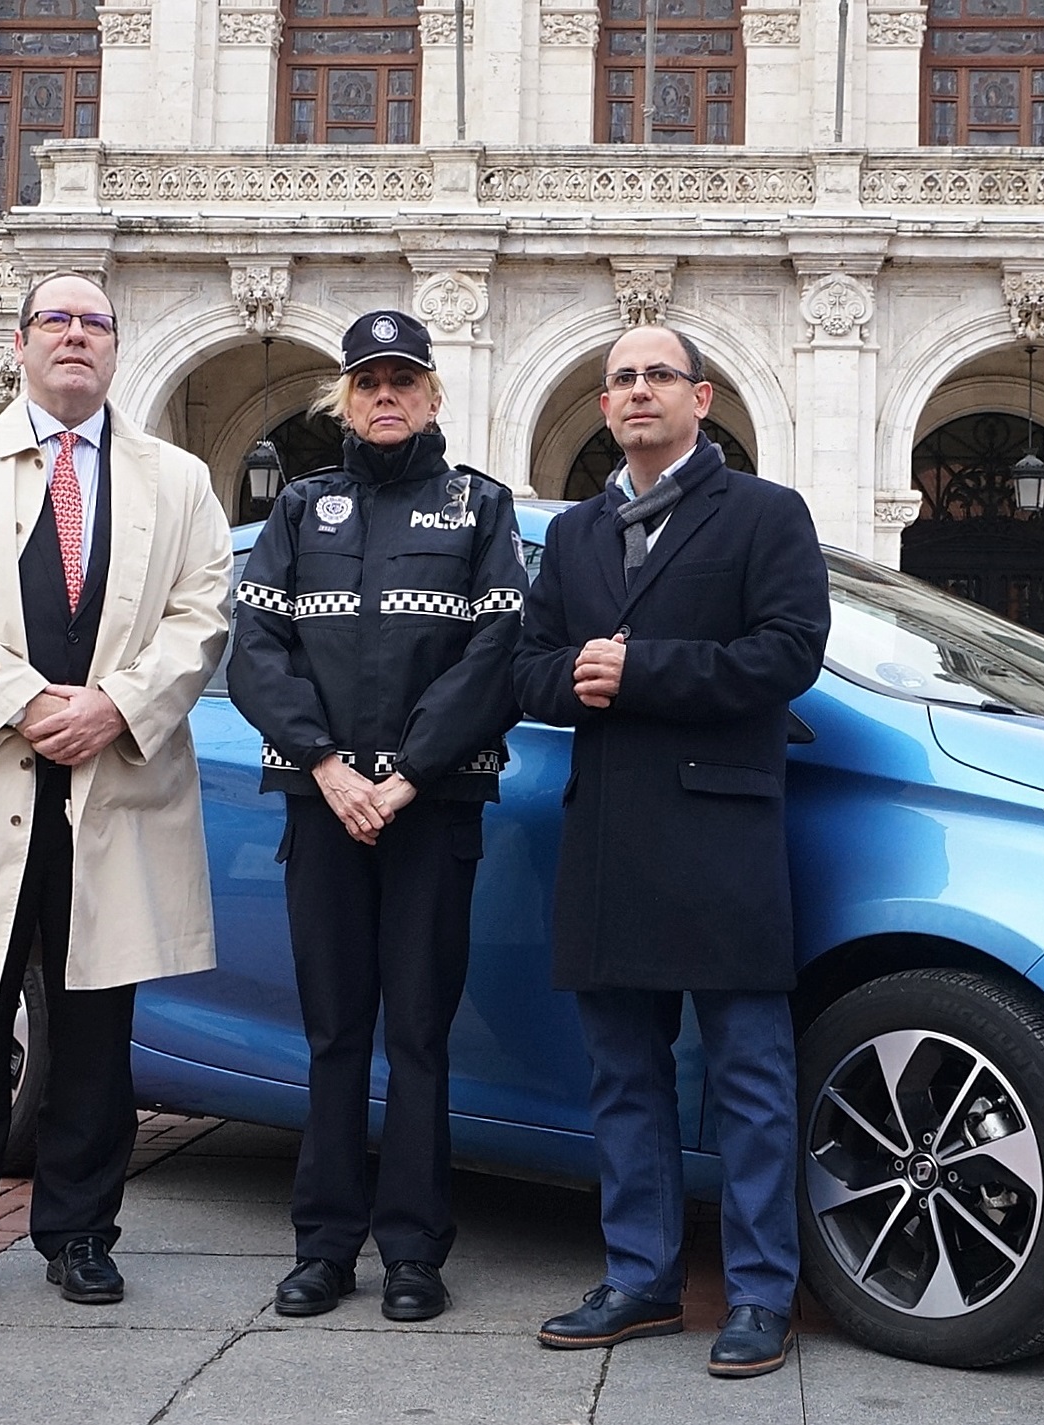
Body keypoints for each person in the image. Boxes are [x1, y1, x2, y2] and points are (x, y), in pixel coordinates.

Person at [0, 270, 233, 1311]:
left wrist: (114, 704)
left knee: (95, 1037)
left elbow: (203, 617)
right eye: (55, 321)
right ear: (16, 344)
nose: (76, 337)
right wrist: (23, 702)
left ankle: (79, 1235)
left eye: (95, 324)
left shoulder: (177, 479)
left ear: (117, 350)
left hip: (106, 797)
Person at [514, 325, 830, 1379]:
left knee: (749, 1077)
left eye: (657, 376)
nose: (638, 392)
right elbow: (530, 670)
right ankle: (639, 1279)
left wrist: (642, 671)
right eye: (620, 381)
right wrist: (577, 683)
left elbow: (789, 656)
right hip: (607, 833)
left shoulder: (766, 515)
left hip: (722, 831)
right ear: (603, 408)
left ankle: (760, 1295)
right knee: (624, 1076)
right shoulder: (573, 536)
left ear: (702, 398)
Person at [228, 309, 526, 1322]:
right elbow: (255, 651)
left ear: (434, 395)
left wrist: (404, 777)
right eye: (368, 381)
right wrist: (327, 766)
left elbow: (496, 657)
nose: (386, 395)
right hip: (324, 809)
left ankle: (413, 1254)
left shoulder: (480, 509)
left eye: (403, 378)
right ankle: (323, 1248)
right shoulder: (301, 511)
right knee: (332, 1034)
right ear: (345, 400)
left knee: (420, 1036)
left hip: (430, 813)